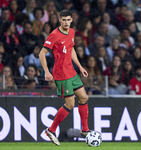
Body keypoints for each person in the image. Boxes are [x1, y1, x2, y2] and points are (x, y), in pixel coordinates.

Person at [39, 10, 90, 146]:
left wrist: (80, 67)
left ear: (71, 20)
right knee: (70, 104)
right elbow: (42, 53)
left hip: (72, 72)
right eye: (64, 20)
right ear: (60, 20)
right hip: (61, 74)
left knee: (84, 98)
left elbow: (71, 49)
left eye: (68, 20)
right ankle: (51, 130)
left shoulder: (72, 32)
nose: (66, 22)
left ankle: (85, 130)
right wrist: (46, 71)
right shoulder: (54, 35)